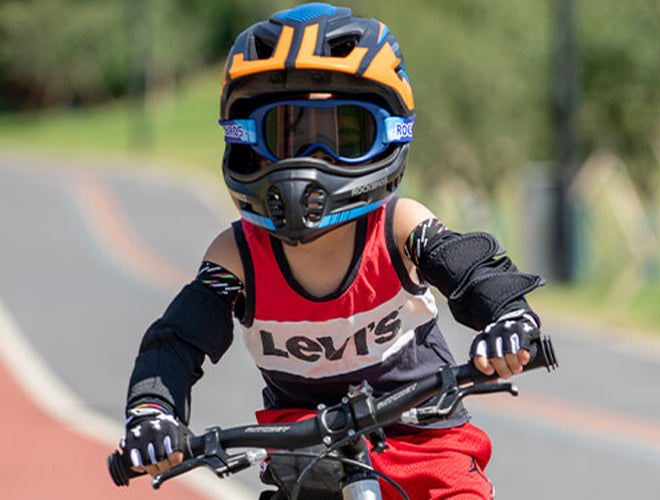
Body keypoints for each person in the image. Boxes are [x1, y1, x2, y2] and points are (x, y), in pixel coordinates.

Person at [120, 3, 544, 499]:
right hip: (305, 456)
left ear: (388, 135)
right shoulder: (237, 257)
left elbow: (472, 269)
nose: (310, 163)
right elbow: (176, 342)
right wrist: (152, 412)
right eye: (287, 134)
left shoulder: (397, 226)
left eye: (343, 134)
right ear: (244, 141)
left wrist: (510, 318)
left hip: (425, 444)